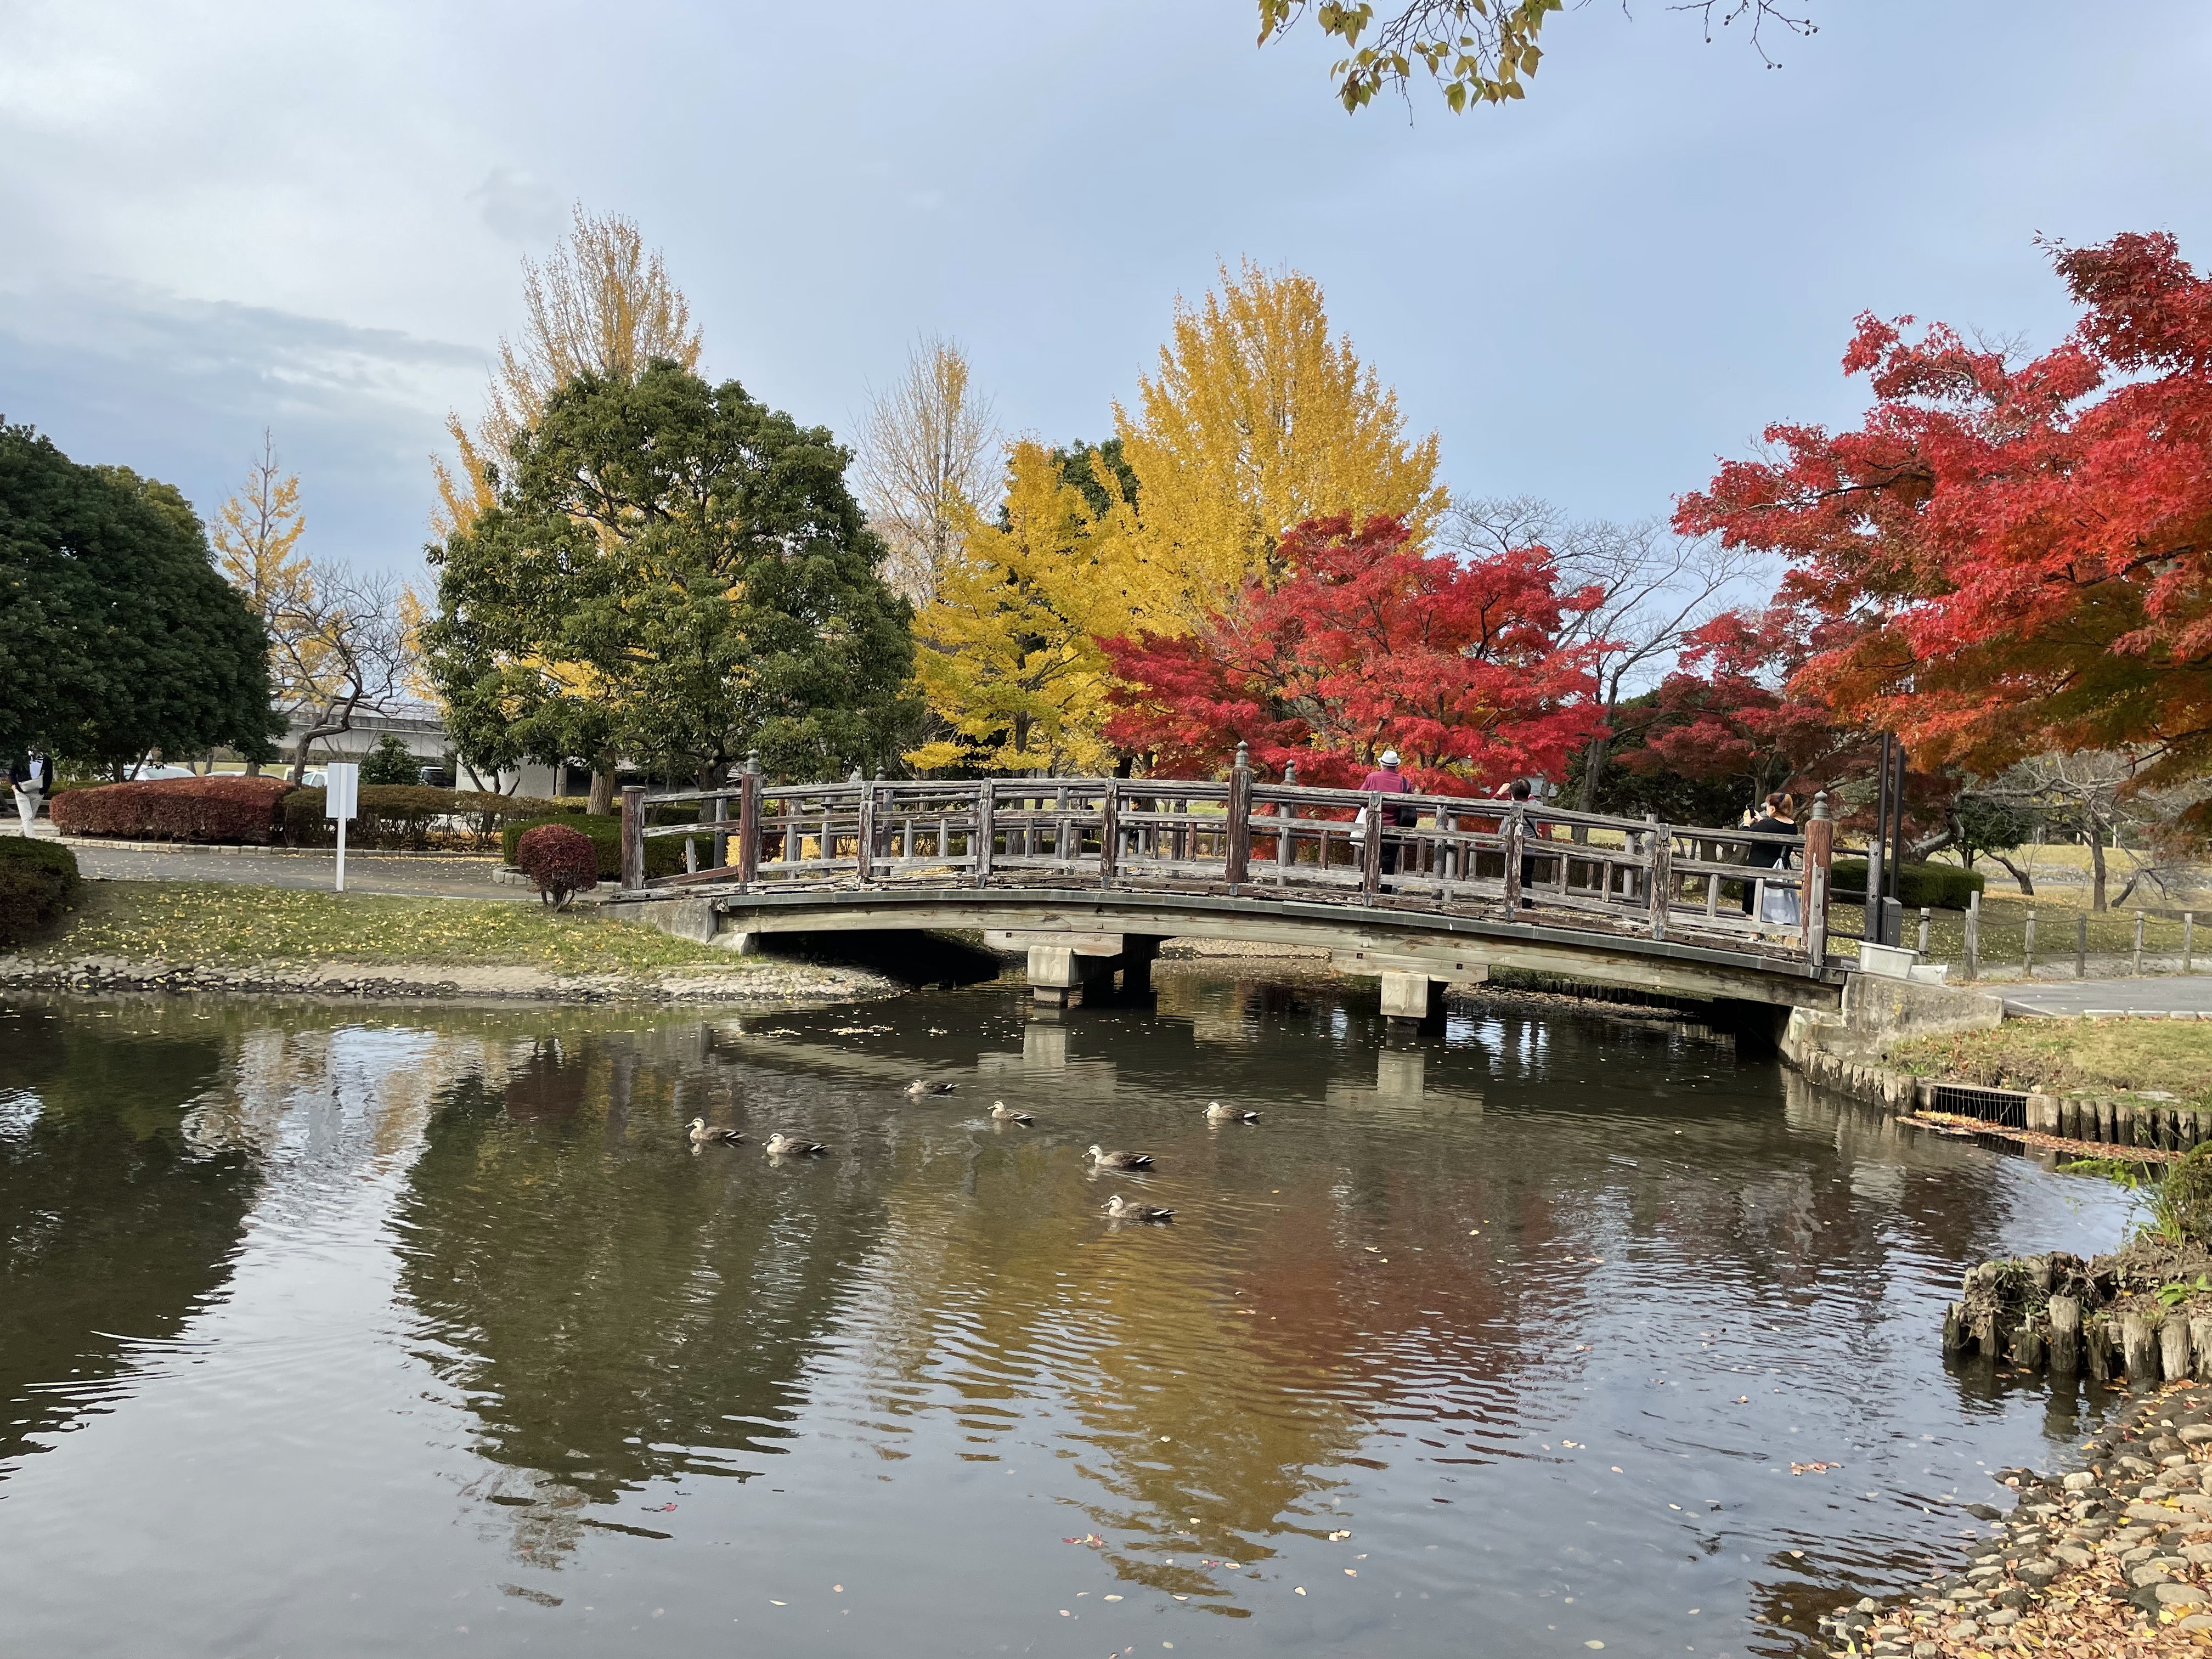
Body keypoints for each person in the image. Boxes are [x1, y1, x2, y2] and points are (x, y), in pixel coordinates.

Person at [1357, 749, 1417, 876]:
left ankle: (1364, 888)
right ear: (1396, 766)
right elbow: (1409, 804)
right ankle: (1386, 890)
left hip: (1372, 825)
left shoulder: (1372, 777)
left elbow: (1360, 799)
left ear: (1382, 765)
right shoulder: (1405, 782)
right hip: (1394, 826)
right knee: (1389, 860)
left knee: (1368, 857)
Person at [1741, 791, 1800, 918]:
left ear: (1773, 808)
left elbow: (1746, 835)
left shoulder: (1767, 825)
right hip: (1781, 868)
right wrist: (1762, 821)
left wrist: (1747, 822)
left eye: (1768, 806)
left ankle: (1754, 934)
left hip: (1759, 867)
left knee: (1753, 902)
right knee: (1780, 905)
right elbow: (1777, 827)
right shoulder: (1793, 826)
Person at [8, 751, 52, 836]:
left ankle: (21, 835)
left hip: (37, 792)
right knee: (27, 817)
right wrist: (15, 785)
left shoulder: (47, 760)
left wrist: (43, 791)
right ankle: (31, 838)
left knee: (30, 817)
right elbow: (11, 773)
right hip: (21, 791)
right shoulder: (21, 758)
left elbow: (49, 777)